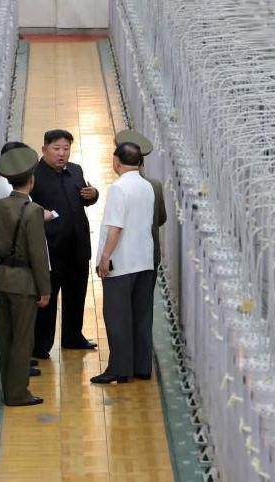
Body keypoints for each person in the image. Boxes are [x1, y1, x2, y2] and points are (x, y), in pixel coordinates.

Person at [0, 147, 51, 406]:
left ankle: (7, 387)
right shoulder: (33, 210)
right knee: (24, 339)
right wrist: (44, 289)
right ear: (31, 180)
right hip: (24, 283)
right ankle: (18, 393)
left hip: (2, 279)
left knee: (6, 337)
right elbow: (38, 254)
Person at [29, 129, 99, 359]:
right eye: (56, 149)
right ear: (44, 150)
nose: (62, 154)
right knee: (47, 301)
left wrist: (93, 195)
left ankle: (73, 336)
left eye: (66, 149)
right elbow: (26, 207)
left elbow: (83, 199)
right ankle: (41, 346)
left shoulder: (75, 170)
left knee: (76, 295)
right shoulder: (34, 177)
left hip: (77, 247)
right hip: (51, 250)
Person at [91, 142, 155, 384]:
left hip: (123, 262)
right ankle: (141, 366)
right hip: (144, 260)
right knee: (141, 316)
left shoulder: (118, 188)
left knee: (118, 318)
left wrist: (106, 257)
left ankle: (119, 368)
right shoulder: (147, 186)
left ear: (116, 161)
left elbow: (115, 227)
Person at [115, 129, 167, 273]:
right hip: (149, 256)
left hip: (125, 260)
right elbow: (161, 218)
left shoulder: (119, 188)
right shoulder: (155, 185)